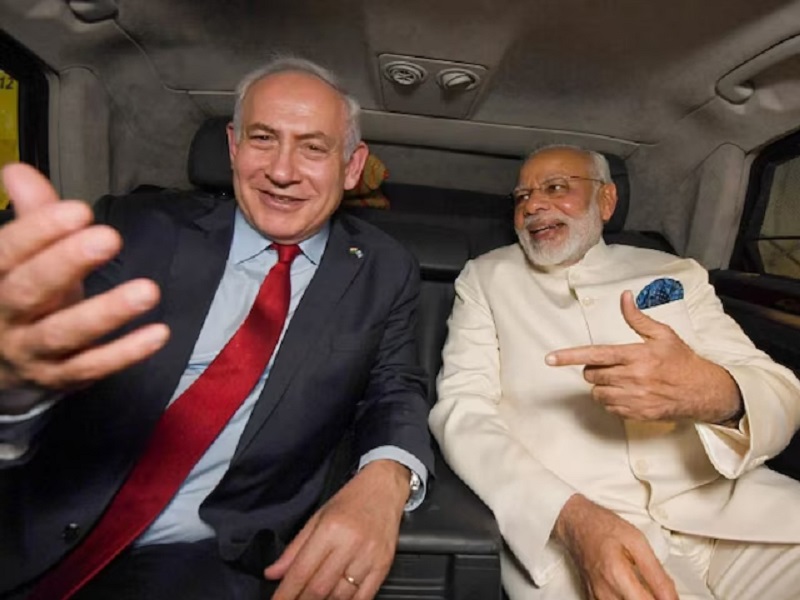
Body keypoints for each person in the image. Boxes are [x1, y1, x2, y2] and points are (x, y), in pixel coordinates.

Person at [0, 57, 433, 600]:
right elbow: (42, 350)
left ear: (351, 166)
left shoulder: (384, 270)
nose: (282, 171)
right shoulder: (135, 227)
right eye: (263, 138)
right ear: (233, 146)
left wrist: (387, 477)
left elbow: (395, 389)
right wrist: (15, 388)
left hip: (205, 555)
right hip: (37, 513)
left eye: (313, 147)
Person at [429, 145, 800, 600]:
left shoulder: (674, 272)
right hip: (583, 524)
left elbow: (779, 390)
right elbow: (463, 412)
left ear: (606, 201)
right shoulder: (486, 278)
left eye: (556, 188)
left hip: (742, 513)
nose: (533, 204)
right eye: (522, 196)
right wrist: (568, 517)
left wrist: (711, 391)